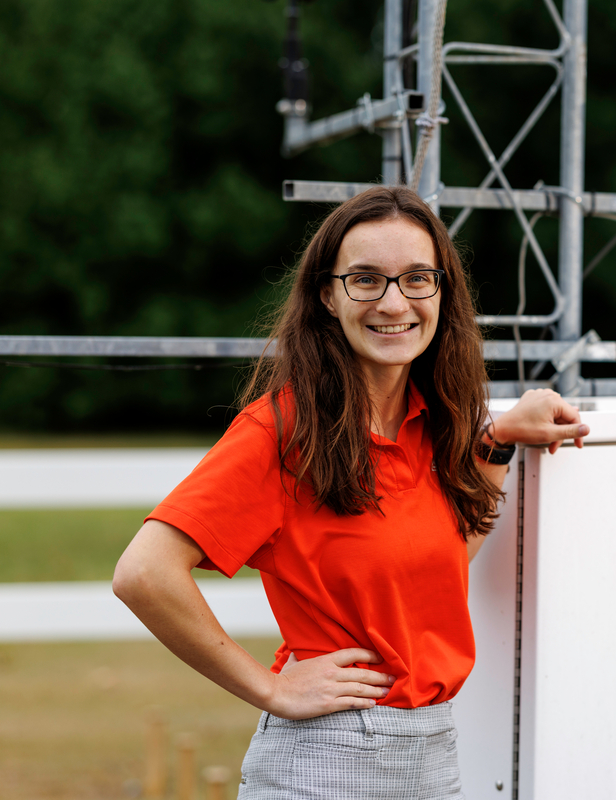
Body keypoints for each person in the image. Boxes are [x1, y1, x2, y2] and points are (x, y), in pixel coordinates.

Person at [113, 185, 589, 799]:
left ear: (442, 292)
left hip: (435, 753)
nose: (394, 302)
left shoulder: (430, 420)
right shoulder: (283, 429)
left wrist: (494, 442)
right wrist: (271, 688)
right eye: (366, 279)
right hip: (328, 759)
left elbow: (443, 560)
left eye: (417, 278)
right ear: (328, 296)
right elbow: (144, 573)